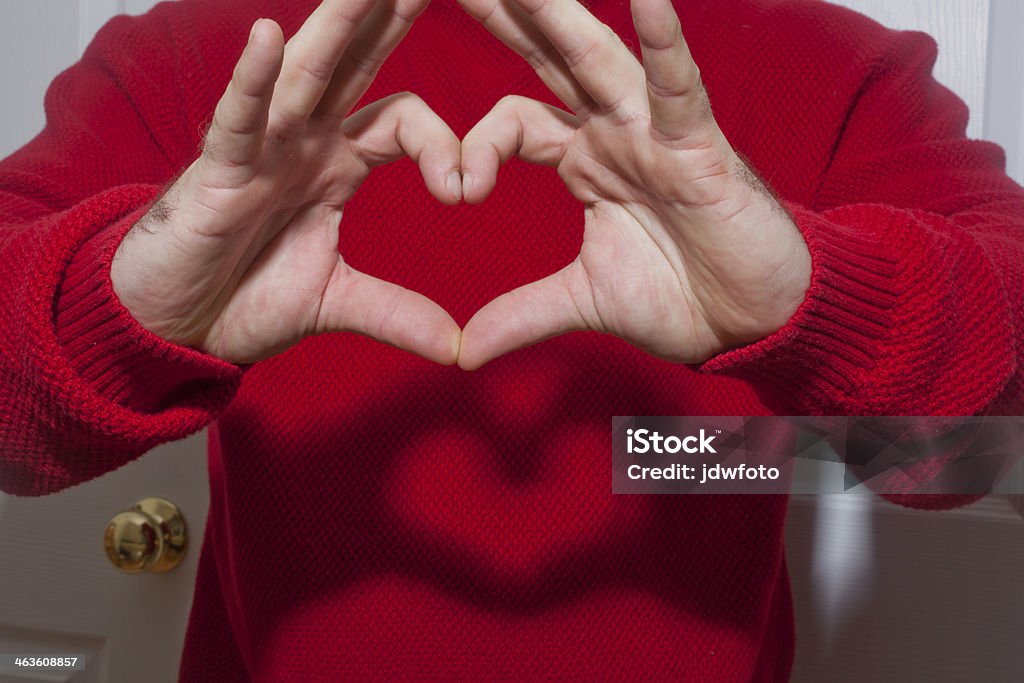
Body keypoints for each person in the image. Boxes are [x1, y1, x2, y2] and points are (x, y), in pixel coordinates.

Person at [1, 0, 1021, 679]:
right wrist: (118, 316)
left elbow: (973, 449)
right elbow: (13, 444)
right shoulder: (203, 55)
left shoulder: (822, 61)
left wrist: (804, 319)